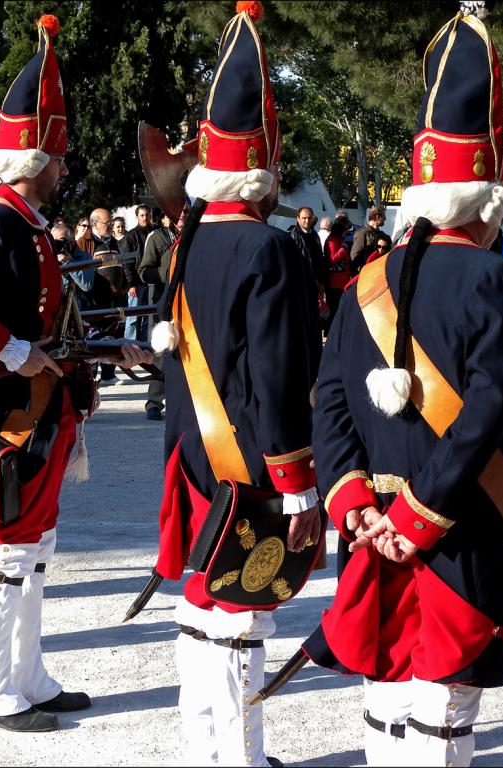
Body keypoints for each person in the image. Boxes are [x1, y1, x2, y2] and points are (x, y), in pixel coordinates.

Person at [307, 11, 503, 767]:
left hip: (373, 528)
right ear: (486, 191)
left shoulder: (362, 284)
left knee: (385, 696)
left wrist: (357, 507)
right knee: (443, 712)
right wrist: (417, 514)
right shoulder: (499, 282)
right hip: (458, 529)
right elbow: (486, 419)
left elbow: (332, 406)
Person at [0, 14, 150, 734]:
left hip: (43, 409)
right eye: (56, 158)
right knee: (11, 552)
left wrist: (111, 354)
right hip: (11, 414)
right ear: (31, 163)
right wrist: (14, 353)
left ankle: (27, 673)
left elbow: (48, 326)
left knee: (35, 549)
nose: (65, 168)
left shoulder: (23, 226)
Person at [149, 6, 322, 765]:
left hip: (190, 449)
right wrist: (297, 481)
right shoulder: (270, 248)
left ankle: (203, 748)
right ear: (264, 165)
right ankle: (242, 758)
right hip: (251, 459)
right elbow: (281, 376)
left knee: (202, 599)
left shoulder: (192, 241)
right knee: (245, 611)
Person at [139, 205, 185, 421]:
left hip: (186, 301)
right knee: (160, 354)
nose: (182, 218)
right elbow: (144, 271)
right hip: (161, 301)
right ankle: (154, 403)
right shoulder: (156, 237)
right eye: (178, 214)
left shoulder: (193, 235)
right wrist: (170, 274)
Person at [77, 207, 126, 383]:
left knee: (113, 333)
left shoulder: (114, 242)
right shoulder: (83, 243)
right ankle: (90, 375)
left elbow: (121, 266)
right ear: (95, 223)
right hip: (93, 301)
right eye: (108, 223)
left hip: (114, 298)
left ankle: (109, 373)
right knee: (94, 337)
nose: (111, 226)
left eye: (111, 222)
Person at [120, 204, 154, 342]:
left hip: (150, 281)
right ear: (137, 217)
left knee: (147, 316)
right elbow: (126, 262)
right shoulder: (130, 237)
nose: (145, 218)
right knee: (133, 317)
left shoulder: (154, 232)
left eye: (147, 215)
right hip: (136, 283)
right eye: (142, 215)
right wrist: (131, 284)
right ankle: (130, 344)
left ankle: (143, 344)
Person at [324, 217, 351, 324]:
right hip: (335, 281)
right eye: (345, 231)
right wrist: (343, 249)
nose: (346, 233)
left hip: (341, 280)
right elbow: (333, 258)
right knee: (334, 306)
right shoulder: (332, 240)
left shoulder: (338, 239)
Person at [350, 204, 387, 273]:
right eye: (384, 217)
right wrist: (362, 271)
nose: (385, 219)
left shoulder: (382, 235)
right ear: (378, 217)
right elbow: (354, 255)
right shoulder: (362, 233)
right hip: (366, 273)